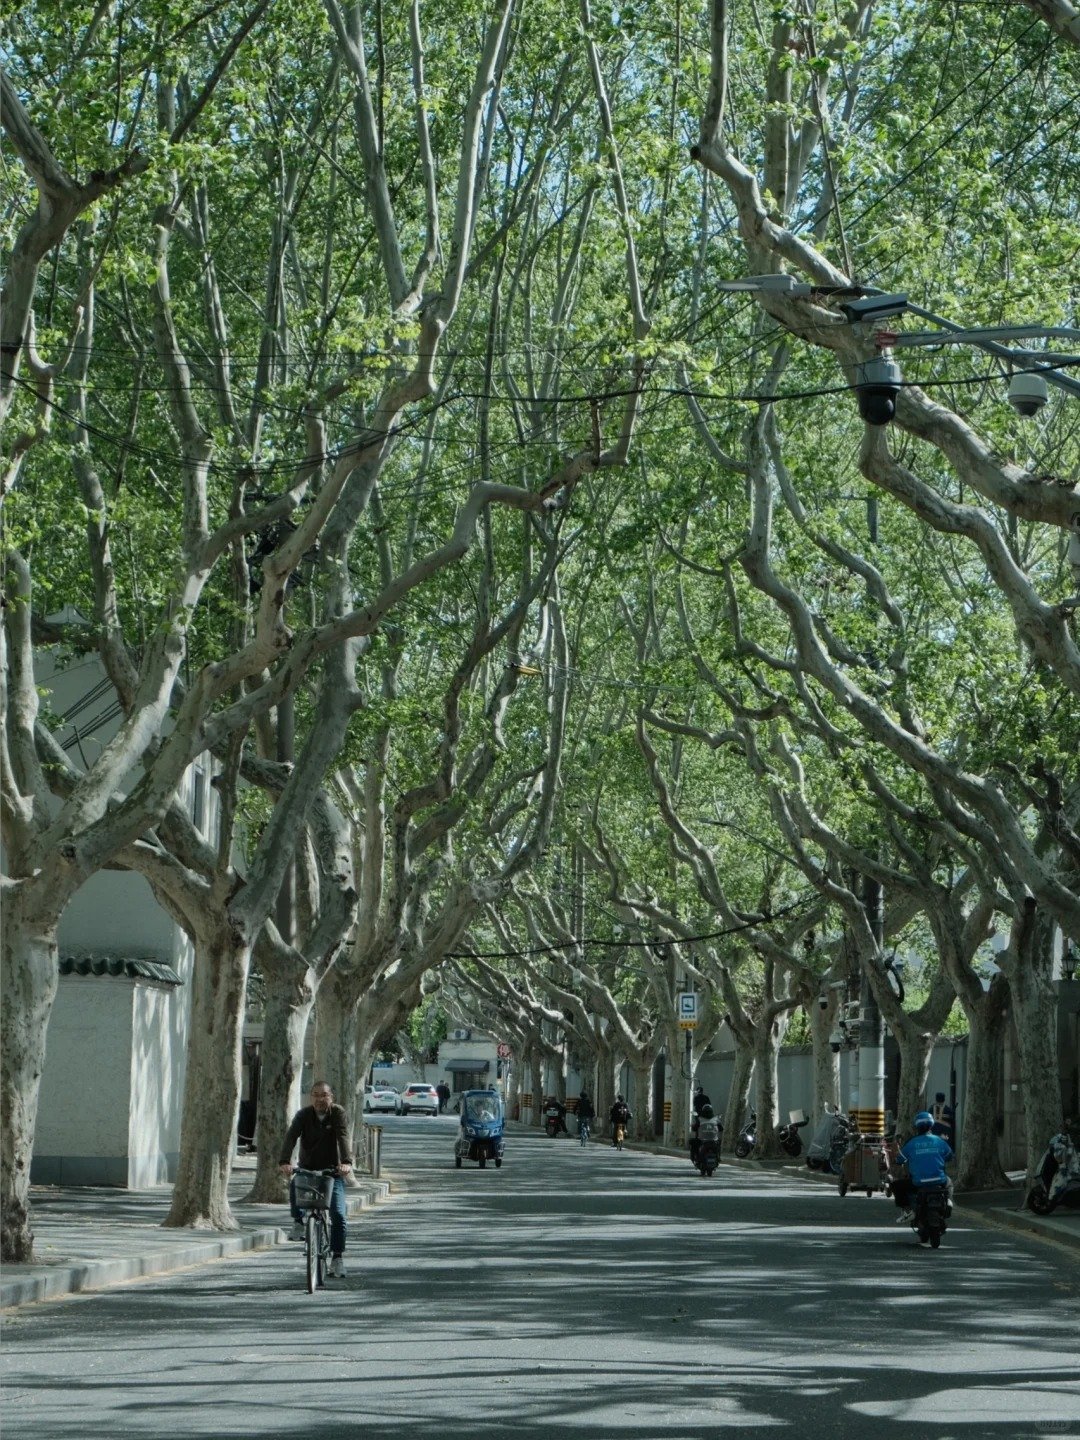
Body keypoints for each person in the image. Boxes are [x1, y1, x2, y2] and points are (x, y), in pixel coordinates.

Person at [279, 1081, 353, 1278]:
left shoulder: (337, 1113)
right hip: (307, 1169)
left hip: (331, 1172)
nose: (320, 1099)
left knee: (339, 1215)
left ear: (331, 1097)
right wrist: (285, 1161)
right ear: (311, 1097)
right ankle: (297, 1222)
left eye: (324, 1095)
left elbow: (343, 1136)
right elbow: (291, 1136)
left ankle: (337, 1258)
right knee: (295, 1183)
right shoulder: (303, 1115)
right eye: (316, 1095)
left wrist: (346, 1162)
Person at [891, 1110, 953, 1236]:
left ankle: (907, 1211)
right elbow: (949, 1156)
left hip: (918, 1183)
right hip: (939, 1181)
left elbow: (899, 1160)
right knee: (950, 1183)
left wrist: (899, 1161)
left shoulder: (911, 1144)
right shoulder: (940, 1141)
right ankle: (948, 1201)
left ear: (917, 1127)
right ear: (931, 1126)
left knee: (896, 1186)